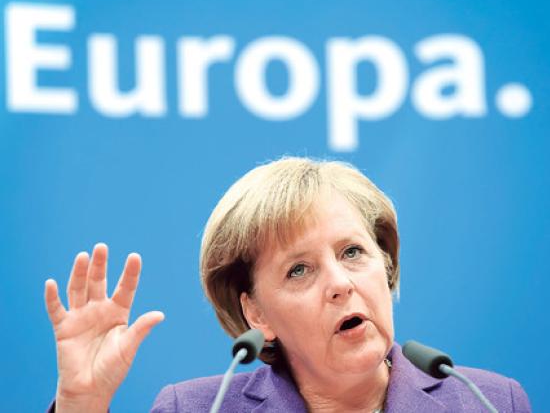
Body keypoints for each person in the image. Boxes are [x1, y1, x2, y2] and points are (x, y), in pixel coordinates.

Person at [45, 157, 531, 412]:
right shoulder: (195, 409)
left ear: (385, 265)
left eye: (352, 252)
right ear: (256, 314)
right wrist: (80, 406)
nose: (339, 283)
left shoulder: (488, 402)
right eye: (299, 270)